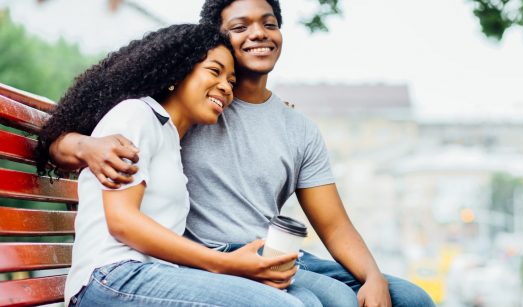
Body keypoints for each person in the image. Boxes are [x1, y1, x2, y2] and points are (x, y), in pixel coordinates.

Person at [47, 1, 435, 306]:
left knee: (411, 299)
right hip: (167, 263)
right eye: (239, 27)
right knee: (330, 300)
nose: (258, 34)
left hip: (243, 255)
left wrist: (373, 277)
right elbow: (78, 145)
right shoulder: (164, 112)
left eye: (269, 23)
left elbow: (334, 225)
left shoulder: (271, 123)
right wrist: (84, 144)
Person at [36, 24, 321, 307]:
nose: (225, 86)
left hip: (146, 276)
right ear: (177, 71)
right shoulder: (137, 114)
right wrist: (225, 263)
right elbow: (122, 222)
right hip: (111, 277)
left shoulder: (171, 140)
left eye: (231, 82)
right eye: (214, 71)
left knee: (300, 300)